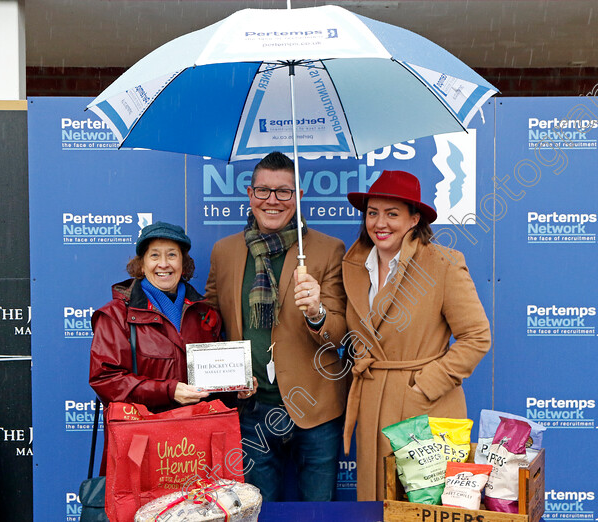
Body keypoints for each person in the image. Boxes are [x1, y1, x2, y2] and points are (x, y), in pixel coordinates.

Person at [205, 151, 347, 501]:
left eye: (283, 192)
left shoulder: (328, 250)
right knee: (258, 510)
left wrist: (316, 311)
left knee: (319, 513)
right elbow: (207, 322)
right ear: (250, 195)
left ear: (297, 197)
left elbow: (342, 333)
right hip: (251, 410)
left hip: (315, 406)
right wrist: (222, 379)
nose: (272, 200)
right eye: (263, 191)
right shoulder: (224, 251)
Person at [341, 169, 491, 501]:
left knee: (422, 505)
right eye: (372, 212)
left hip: (423, 407)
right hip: (371, 402)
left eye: (392, 214)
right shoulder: (351, 265)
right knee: (374, 502)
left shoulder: (442, 264)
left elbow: (476, 336)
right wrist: (315, 313)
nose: (380, 223)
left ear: (414, 219)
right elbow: (342, 331)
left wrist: (425, 386)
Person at [89, 221, 222, 414]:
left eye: (172, 255)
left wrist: (238, 387)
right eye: (154, 255)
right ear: (141, 265)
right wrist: (168, 391)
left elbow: (217, 380)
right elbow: (106, 380)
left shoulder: (204, 312)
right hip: (144, 436)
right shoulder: (116, 315)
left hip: (197, 433)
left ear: (183, 264)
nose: (164, 264)